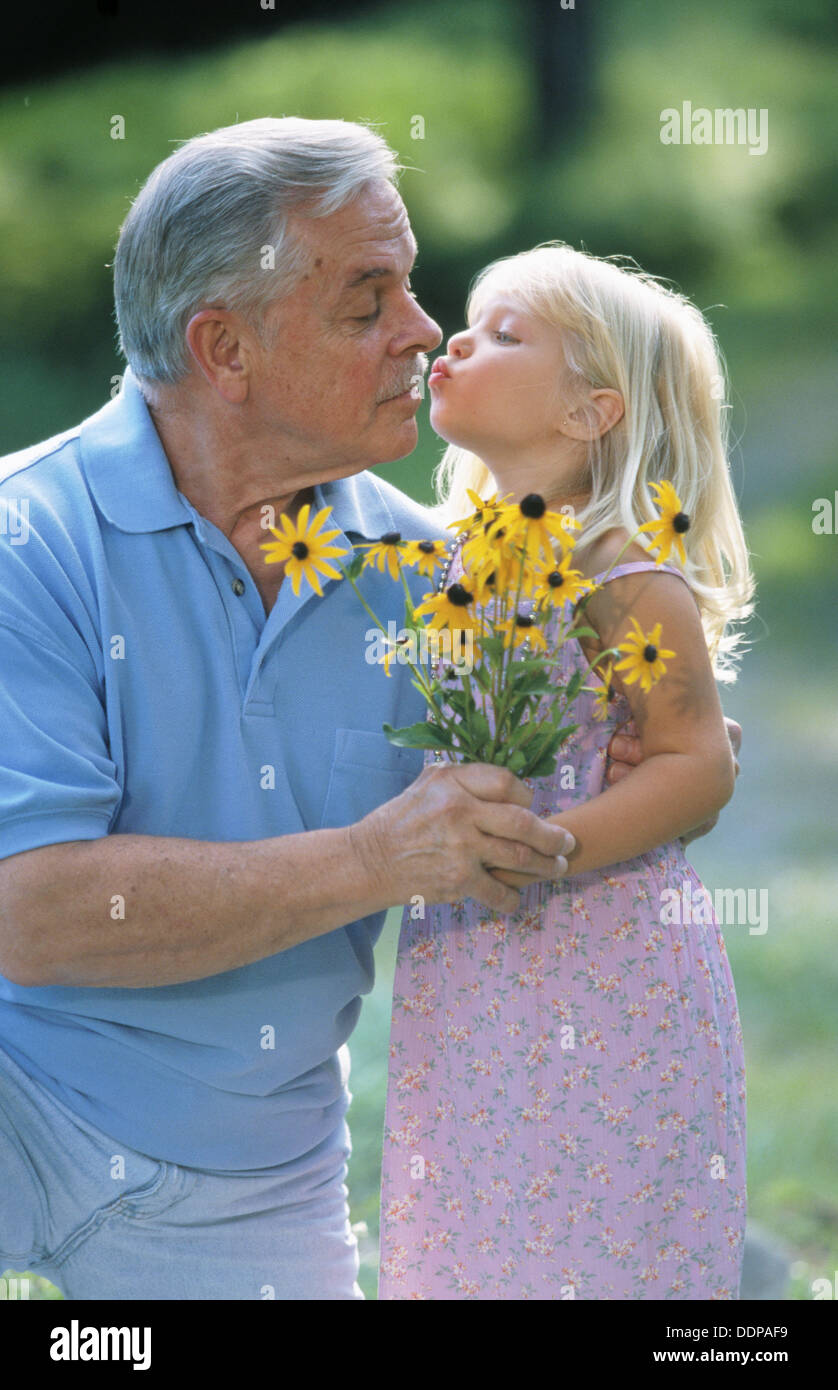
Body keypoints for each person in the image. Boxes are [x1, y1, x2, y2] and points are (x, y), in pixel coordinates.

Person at [0, 117, 671, 1301]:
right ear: (226, 349)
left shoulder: (445, 583)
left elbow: (625, 781)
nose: (425, 332)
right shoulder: (29, 539)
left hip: (249, 1178)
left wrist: (673, 748)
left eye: (411, 288)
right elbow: (33, 913)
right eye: (369, 302)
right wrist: (376, 858)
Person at [378, 243, 754, 1300]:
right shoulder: (449, 558)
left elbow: (694, 764)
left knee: (602, 1226)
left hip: (608, 961)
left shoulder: (620, 572)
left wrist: (551, 847)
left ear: (591, 411)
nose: (456, 340)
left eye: (505, 333)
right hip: (475, 967)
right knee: (478, 1223)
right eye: (471, 321)